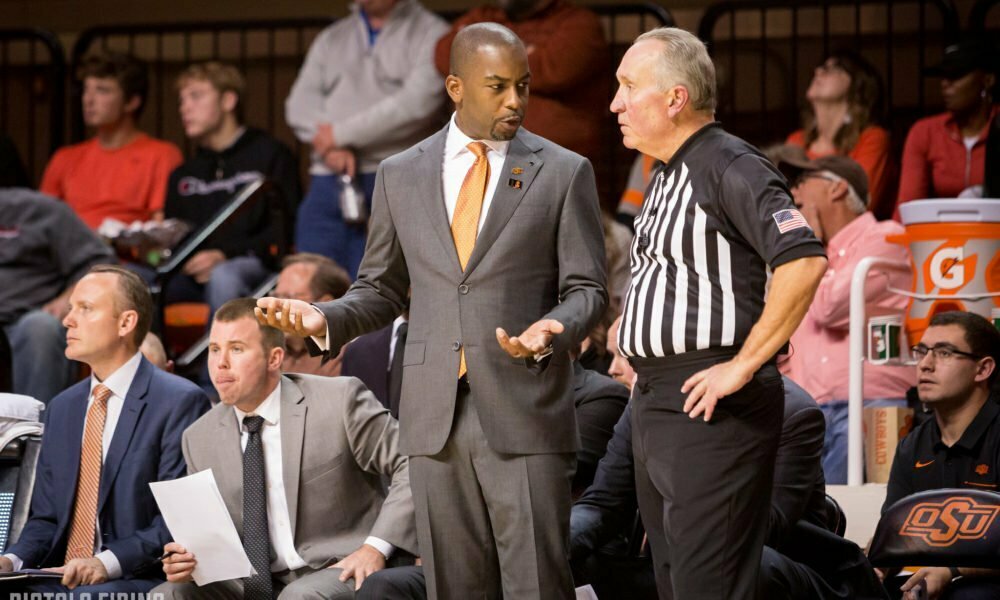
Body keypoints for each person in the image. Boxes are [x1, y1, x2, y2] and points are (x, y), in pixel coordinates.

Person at [258, 23, 607, 600]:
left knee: (537, 586)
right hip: (432, 416)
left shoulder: (565, 171)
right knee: (453, 588)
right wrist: (326, 318)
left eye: (522, 85)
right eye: (498, 86)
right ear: (455, 87)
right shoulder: (400, 173)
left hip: (525, 409)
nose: (515, 100)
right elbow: (380, 288)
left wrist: (554, 328)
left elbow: (588, 289)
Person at [610, 27, 828, 599]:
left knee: (708, 587)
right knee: (672, 583)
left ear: (675, 98)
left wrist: (742, 364)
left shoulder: (729, 162)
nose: (615, 104)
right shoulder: (665, 172)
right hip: (657, 398)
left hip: (710, 401)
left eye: (628, 86)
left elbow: (803, 261)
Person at [153, 298, 415, 600]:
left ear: (274, 358)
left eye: (236, 349)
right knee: (167, 594)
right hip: (248, 581)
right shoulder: (198, 437)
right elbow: (210, 539)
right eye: (214, 349)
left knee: (298, 596)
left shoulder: (338, 400)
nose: (220, 362)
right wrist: (188, 562)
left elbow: (411, 463)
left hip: (339, 565)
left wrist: (375, 548)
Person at [571, 377, 886, 600]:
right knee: (571, 558)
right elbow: (602, 505)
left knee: (734, 566)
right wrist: (552, 544)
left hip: (771, 566)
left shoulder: (792, 411)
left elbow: (767, 529)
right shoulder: (646, 402)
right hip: (675, 563)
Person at [0, 265, 210, 597]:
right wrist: (11, 561)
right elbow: (46, 519)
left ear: (126, 323)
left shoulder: (180, 401)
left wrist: (105, 563)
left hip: (138, 576)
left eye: (85, 308)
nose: (68, 320)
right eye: (71, 308)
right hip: (60, 575)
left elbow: (176, 520)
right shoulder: (62, 407)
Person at [776, 153, 915, 484]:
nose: (793, 193)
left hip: (870, 405)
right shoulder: (809, 258)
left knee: (844, 510)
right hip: (810, 412)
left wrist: (803, 247)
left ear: (837, 188)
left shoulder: (885, 236)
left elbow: (831, 307)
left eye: (802, 182)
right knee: (799, 513)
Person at [285, 0, 448, 279]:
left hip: (400, 175)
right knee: (311, 284)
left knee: (385, 287)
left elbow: (416, 105)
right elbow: (298, 105)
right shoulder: (332, 37)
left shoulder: (432, 32)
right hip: (329, 176)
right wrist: (329, 149)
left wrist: (339, 136)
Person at [163, 62, 301, 316]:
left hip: (254, 264)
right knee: (136, 281)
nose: (185, 108)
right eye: (182, 100)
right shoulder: (183, 173)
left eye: (196, 96)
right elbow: (176, 234)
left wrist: (224, 254)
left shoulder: (271, 155)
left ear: (228, 100)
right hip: (192, 270)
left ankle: (223, 344)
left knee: (224, 277)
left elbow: (286, 228)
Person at [881, 311, 1000, 600]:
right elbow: (895, 537)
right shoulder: (911, 445)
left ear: (983, 369)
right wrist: (875, 569)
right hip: (927, 580)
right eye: (922, 351)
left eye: (944, 353)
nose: (925, 364)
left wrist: (951, 571)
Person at [433, 0, 609, 163]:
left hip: (549, 161)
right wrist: (522, 54)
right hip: (474, 153)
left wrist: (477, 57)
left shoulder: (578, 23)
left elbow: (553, 70)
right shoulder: (483, 15)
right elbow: (444, 54)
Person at [40, 52, 182, 229]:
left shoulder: (161, 155)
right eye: (86, 89)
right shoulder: (64, 158)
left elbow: (160, 229)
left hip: (127, 245)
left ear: (131, 102)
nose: (88, 100)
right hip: (71, 244)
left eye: (102, 90)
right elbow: (41, 223)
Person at [1, 189, 115, 403]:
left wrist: (68, 299)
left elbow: (100, 262)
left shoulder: (41, 211)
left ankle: (37, 423)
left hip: (29, 315)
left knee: (40, 328)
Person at [785, 50, 894, 219]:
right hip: (796, 231)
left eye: (832, 68)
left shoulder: (873, 138)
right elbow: (778, 204)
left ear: (857, 84)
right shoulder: (797, 140)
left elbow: (860, 204)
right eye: (820, 67)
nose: (818, 71)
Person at [896, 39, 998, 211]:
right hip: (939, 226)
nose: (945, 83)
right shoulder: (925, 132)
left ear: (987, 80)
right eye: (943, 76)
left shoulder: (997, 126)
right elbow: (907, 207)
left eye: (956, 75)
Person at [276, 253, 352, 377]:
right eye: (275, 296)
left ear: (325, 304)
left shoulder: (348, 357)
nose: (275, 306)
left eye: (288, 297)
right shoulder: (269, 351)